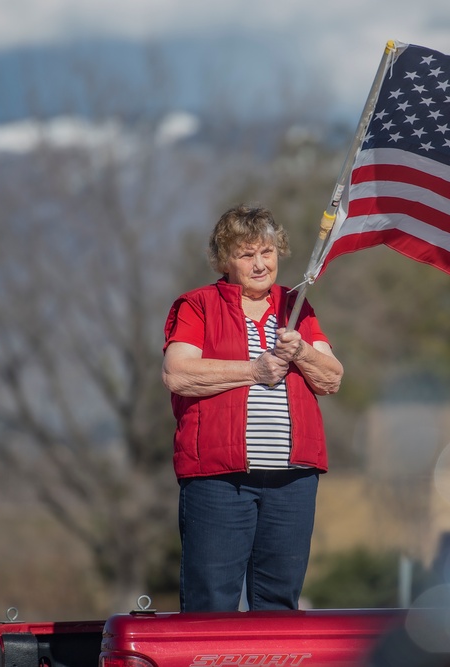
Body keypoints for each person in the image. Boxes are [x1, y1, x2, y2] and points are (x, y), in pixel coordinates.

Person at [161, 204, 343, 612]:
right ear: (224, 260)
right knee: (211, 600)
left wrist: (302, 353)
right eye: (246, 255)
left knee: (279, 602)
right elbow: (177, 374)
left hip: (293, 478)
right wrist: (255, 370)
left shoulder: (298, 306)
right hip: (218, 479)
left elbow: (331, 378)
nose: (260, 264)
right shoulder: (197, 306)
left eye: (267, 252)